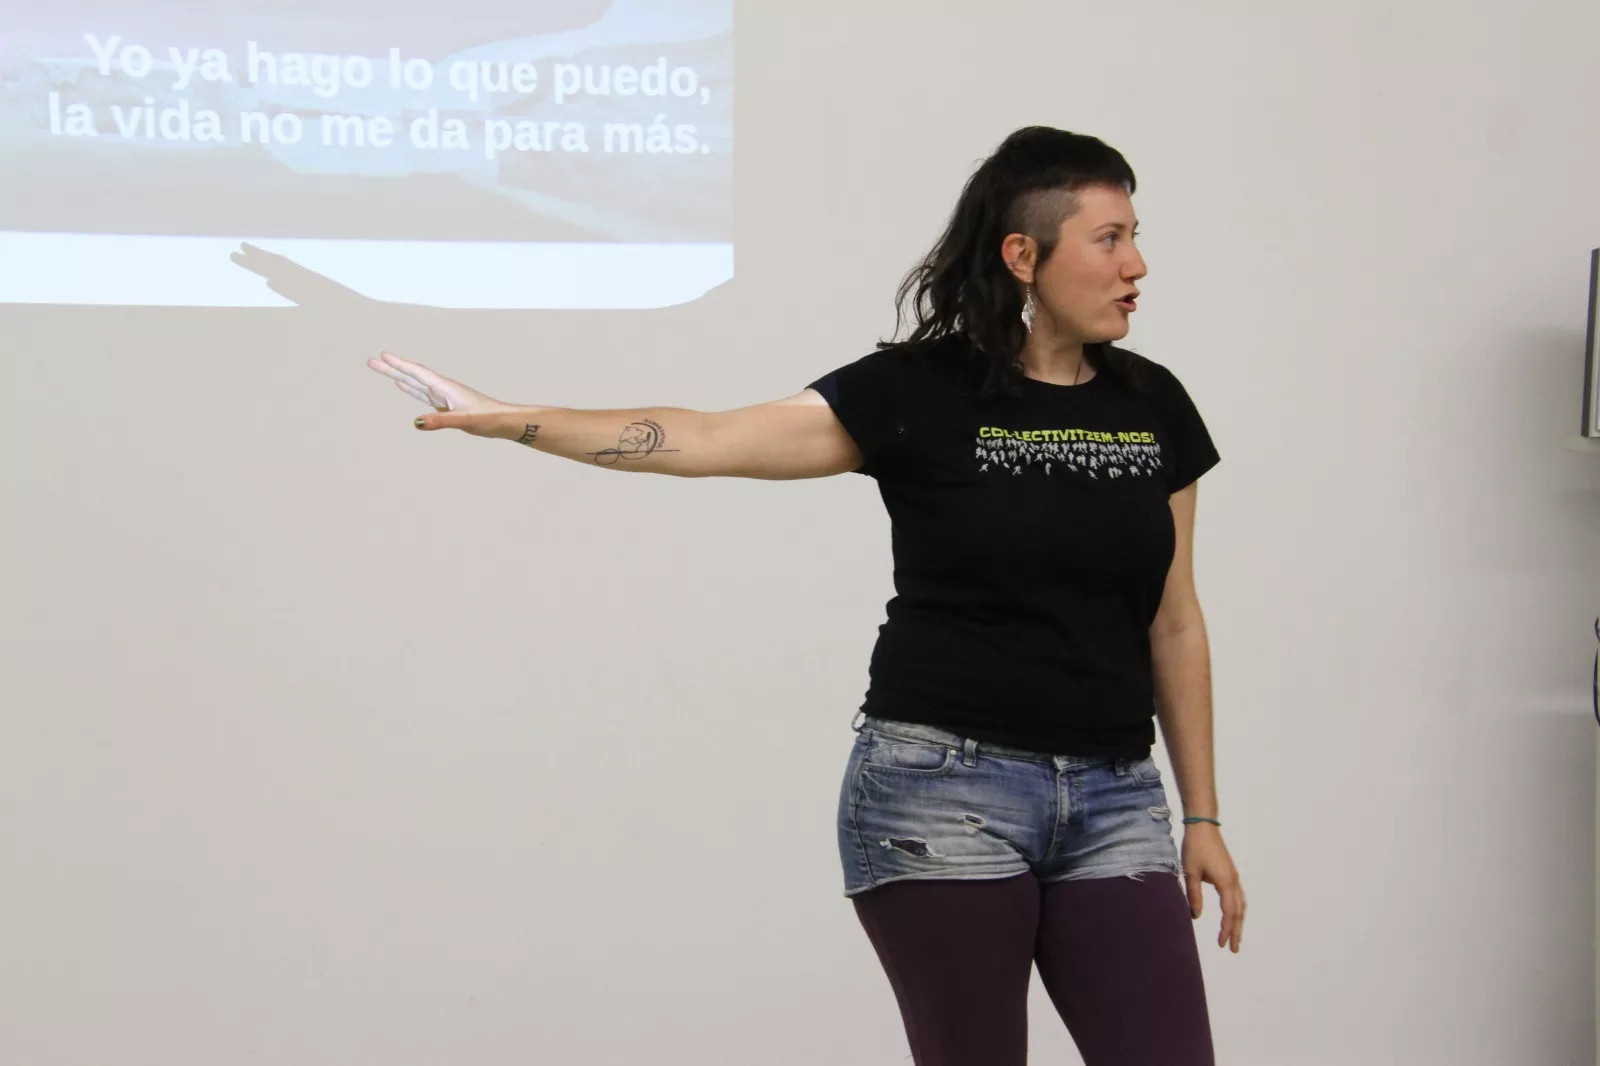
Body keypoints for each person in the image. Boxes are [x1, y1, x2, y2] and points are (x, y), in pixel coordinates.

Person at [366, 125, 1245, 1066]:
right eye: (1108, 239)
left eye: (1134, 235)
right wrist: (518, 420)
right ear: (1022, 255)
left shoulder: (1153, 404)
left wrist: (1201, 815)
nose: (1136, 264)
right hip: (943, 794)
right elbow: (706, 438)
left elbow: (1174, 618)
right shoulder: (919, 391)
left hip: (1115, 796)